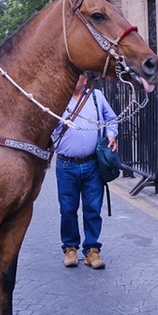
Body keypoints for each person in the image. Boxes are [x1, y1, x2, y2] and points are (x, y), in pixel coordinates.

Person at [51, 74, 117, 270]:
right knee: (68, 209)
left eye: (78, 76)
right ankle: (70, 248)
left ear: (85, 79)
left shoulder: (96, 97)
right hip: (66, 165)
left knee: (93, 209)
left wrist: (112, 134)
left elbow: (111, 118)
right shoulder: (58, 98)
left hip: (92, 164)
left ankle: (92, 250)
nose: (73, 80)